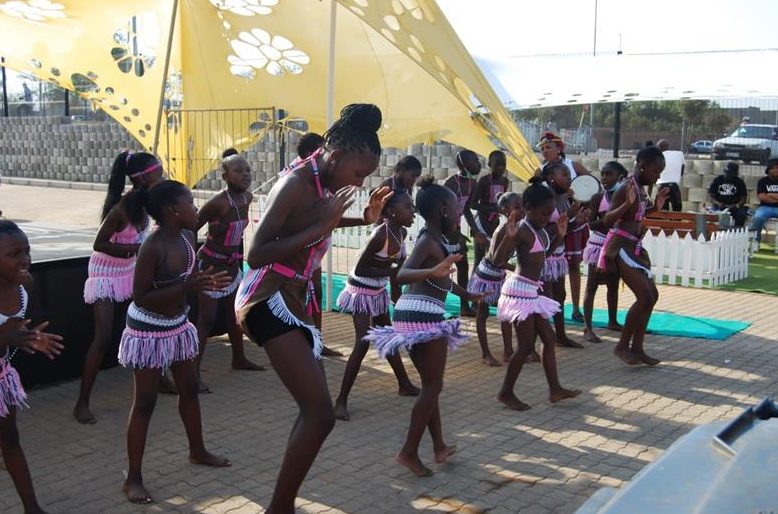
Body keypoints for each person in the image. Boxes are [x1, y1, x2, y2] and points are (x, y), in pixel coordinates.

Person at [235, 104, 393, 513]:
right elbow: (257, 254)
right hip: (265, 295)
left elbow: (316, 220)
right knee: (320, 414)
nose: (361, 182)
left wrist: (361, 219)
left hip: (292, 298)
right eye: (359, 174)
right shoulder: (295, 184)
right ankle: (279, 507)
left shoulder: (323, 182)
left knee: (314, 411)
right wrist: (322, 227)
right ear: (337, 157)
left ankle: (281, 505)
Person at [120, 180, 231, 504]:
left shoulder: (185, 236)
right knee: (145, 402)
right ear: (173, 211)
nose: (196, 209)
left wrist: (201, 282)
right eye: (190, 204)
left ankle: (197, 450)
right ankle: (133, 478)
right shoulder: (152, 246)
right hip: (148, 329)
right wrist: (187, 287)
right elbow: (141, 296)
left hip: (178, 323)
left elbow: (187, 281)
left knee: (189, 387)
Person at [365, 177, 479, 477]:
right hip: (423, 315)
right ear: (443, 210)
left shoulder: (436, 240)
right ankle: (409, 452)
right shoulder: (428, 239)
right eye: (457, 209)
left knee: (431, 385)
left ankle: (439, 445)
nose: (459, 214)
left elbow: (438, 279)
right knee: (433, 386)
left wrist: (466, 294)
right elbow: (403, 274)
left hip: (412, 312)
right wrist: (434, 268)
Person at [74, 151, 163, 424]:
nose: (162, 174)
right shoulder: (122, 208)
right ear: (145, 176)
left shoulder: (147, 202)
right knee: (102, 337)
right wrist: (138, 248)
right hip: (104, 273)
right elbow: (99, 244)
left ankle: (163, 379)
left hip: (128, 269)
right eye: (158, 170)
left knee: (154, 320)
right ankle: (82, 404)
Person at [493, 180, 581, 411]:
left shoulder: (541, 231)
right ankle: (506, 392)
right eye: (544, 213)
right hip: (519, 294)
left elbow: (544, 256)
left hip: (531, 293)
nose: (547, 217)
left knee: (549, 339)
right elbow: (498, 261)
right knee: (524, 346)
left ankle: (555, 390)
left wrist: (560, 236)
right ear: (528, 208)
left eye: (550, 213)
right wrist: (508, 238)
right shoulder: (521, 230)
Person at [333, 191, 419, 421]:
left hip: (378, 291)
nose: (413, 212)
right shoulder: (380, 235)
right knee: (362, 343)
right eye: (408, 208)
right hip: (361, 291)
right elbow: (361, 269)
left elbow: (398, 271)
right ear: (392, 212)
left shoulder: (401, 232)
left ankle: (403, 383)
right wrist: (392, 272)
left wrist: (397, 299)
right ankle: (340, 401)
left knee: (387, 336)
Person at [0, 221, 64, 514]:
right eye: (14, 253)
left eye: (26, 250)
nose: (24, 259)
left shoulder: (25, 283)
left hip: (2, 377)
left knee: (10, 439)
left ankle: (32, 508)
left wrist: (31, 338)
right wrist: (10, 337)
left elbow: (20, 328)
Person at [193, 153, 263, 394]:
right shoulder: (218, 203)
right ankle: (192, 374)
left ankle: (239, 358)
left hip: (232, 266)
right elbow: (191, 228)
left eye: (247, 170)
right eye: (238, 171)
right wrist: (191, 265)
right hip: (212, 266)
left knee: (235, 316)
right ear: (225, 176)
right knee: (206, 319)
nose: (245, 175)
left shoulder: (247, 197)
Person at [598, 146, 669, 366]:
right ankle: (622, 346)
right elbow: (607, 220)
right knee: (645, 296)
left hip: (634, 247)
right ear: (642, 166)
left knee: (652, 295)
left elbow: (636, 216)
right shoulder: (625, 187)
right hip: (620, 247)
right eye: (656, 172)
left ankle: (637, 349)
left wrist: (655, 208)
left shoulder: (640, 188)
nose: (657, 177)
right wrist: (626, 204)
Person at [282, 132, 342, 357]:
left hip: (314, 254)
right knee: (294, 300)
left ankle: (316, 343)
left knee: (316, 295)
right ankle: (296, 347)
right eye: (323, 151)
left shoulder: (321, 178)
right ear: (312, 153)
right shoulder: (294, 180)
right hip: (296, 255)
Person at [534, 131, 590, 322]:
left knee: (573, 265)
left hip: (573, 221)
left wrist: (581, 202)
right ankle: (547, 314)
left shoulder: (573, 166)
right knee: (551, 269)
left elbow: (591, 186)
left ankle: (575, 309)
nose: (544, 151)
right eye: (542, 148)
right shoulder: (541, 172)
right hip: (554, 223)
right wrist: (558, 197)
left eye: (548, 147)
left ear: (559, 148)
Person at [467, 192, 524, 366]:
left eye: (521, 207)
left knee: (506, 313)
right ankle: (486, 354)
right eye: (516, 207)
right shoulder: (502, 229)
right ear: (505, 210)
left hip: (498, 275)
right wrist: (518, 269)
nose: (520, 211)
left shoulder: (516, 227)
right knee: (482, 314)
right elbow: (497, 260)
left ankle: (509, 352)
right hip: (486, 275)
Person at [539, 161, 589, 348]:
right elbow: (540, 229)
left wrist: (576, 221)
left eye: (569, 175)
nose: (569, 178)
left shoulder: (561, 197)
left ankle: (560, 336)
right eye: (565, 175)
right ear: (551, 177)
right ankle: (533, 342)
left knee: (559, 294)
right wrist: (568, 215)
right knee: (544, 297)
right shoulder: (545, 197)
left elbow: (562, 228)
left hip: (557, 255)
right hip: (543, 255)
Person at [581, 161, 628, 343]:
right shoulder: (597, 198)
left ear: (620, 177)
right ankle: (587, 327)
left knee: (613, 284)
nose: (604, 178)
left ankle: (612, 321)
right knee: (591, 286)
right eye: (603, 174)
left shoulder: (625, 197)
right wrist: (607, 221)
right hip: (599, 244)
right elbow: (591, 224)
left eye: (609, 174)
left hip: (615, 245)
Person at [444, 149, 488, 317]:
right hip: (443, 232)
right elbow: (443, 211)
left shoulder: (472, 184)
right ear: (464, 164)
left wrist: (475, 231)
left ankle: (464, 305)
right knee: (442, 269)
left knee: (463, 266)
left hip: (455, 232)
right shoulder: (451, 182)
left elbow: (467, 209)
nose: (478, 164)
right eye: (475, 161)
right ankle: (436, 304)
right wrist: (453, 232)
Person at [473, 150, 510, 272]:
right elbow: (472, 204)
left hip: (495, 222)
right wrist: (489, 208)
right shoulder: (483, 181)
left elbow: (502, 202)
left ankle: (491, 286)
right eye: (497, 165)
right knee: (479, 260)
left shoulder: (505, 181)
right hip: (482, 223)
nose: (501, 168)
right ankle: (472, 288)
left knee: (494, 258)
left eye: (503, 165)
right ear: (489, 165)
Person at [707, 162, 749, 227]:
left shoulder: (739, 182)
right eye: (725, 172)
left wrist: (736, 205)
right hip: (719, 206)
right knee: (711, 215)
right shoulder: (717, 180)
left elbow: (743, 199)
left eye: (729, 173)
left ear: (734, 174)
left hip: (735, 207)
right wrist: (718, 203)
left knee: (741, 214)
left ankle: (737, 230)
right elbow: (711, 196)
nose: (726, 174)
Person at [751, 158, 778, 249]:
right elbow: (762, 197)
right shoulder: (762, 181)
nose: (776, 170)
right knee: (758, 217)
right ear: (768, 170)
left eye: (777, 168)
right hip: (765, 207)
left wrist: (769, 194)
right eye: (773, 168)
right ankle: (756, 241)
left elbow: (765, 196)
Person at [653, 139, 684, 212]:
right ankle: (676, 223)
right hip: (674, 186)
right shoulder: (679, 154)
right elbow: (682, 169)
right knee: (677, 210)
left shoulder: (657, 157)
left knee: (663, 211)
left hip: (661, 186)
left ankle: (664, 223)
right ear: (668, 147)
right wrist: (677, 177)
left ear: (659, 148)